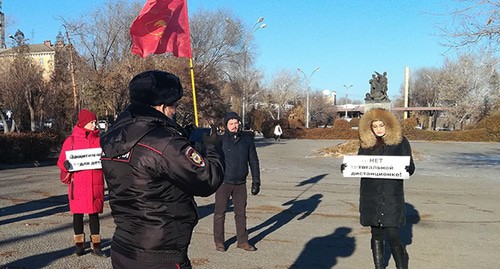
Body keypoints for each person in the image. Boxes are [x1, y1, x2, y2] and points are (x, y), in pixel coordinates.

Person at [100, 70, 225, 269]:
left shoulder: (113, 138)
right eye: (174, 106)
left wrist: (183, 140)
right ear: (161, 105)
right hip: (160, 253)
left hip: (124, 246)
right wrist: (213, 147)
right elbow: (207, 179)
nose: (175, 111)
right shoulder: (163, 141)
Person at [342, 108, 415, 269]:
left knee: (393, 234)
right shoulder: (367, 143)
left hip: (391, 196)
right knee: (376, 234)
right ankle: (379, 266)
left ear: (388, 125)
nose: (379, 129)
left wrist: (405, 168)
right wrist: (347, 167)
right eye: (375, 126)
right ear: (370, 128)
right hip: (371, 195)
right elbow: (360, 164)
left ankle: (401, 265)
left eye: (382, 125)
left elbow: (411, 167)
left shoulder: (401, 142)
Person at [57, 109, 106, 257]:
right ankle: (79, 245)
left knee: (94, 215)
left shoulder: (99, 140)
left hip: (95, 182)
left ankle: (96, 247)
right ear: (83, 123)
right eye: (91, 122)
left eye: (94, 122)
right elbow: (61, 161)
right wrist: (65, 165)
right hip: (78, 184)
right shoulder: (71, 141)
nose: (94, 125)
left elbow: (107, 158)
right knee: (77, 215)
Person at [213, 111, 261, 252]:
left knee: (240, 214)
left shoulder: (247, 140)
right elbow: (211, 158)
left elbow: (253, 161)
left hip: (240, 183)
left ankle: (242, 241)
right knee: (219, 213)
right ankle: (219, 242)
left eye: (236, 123)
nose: (234, 126)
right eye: (231, 123)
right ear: (226, 125)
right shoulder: (220, 140)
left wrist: (256, 181)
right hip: (223, 182)